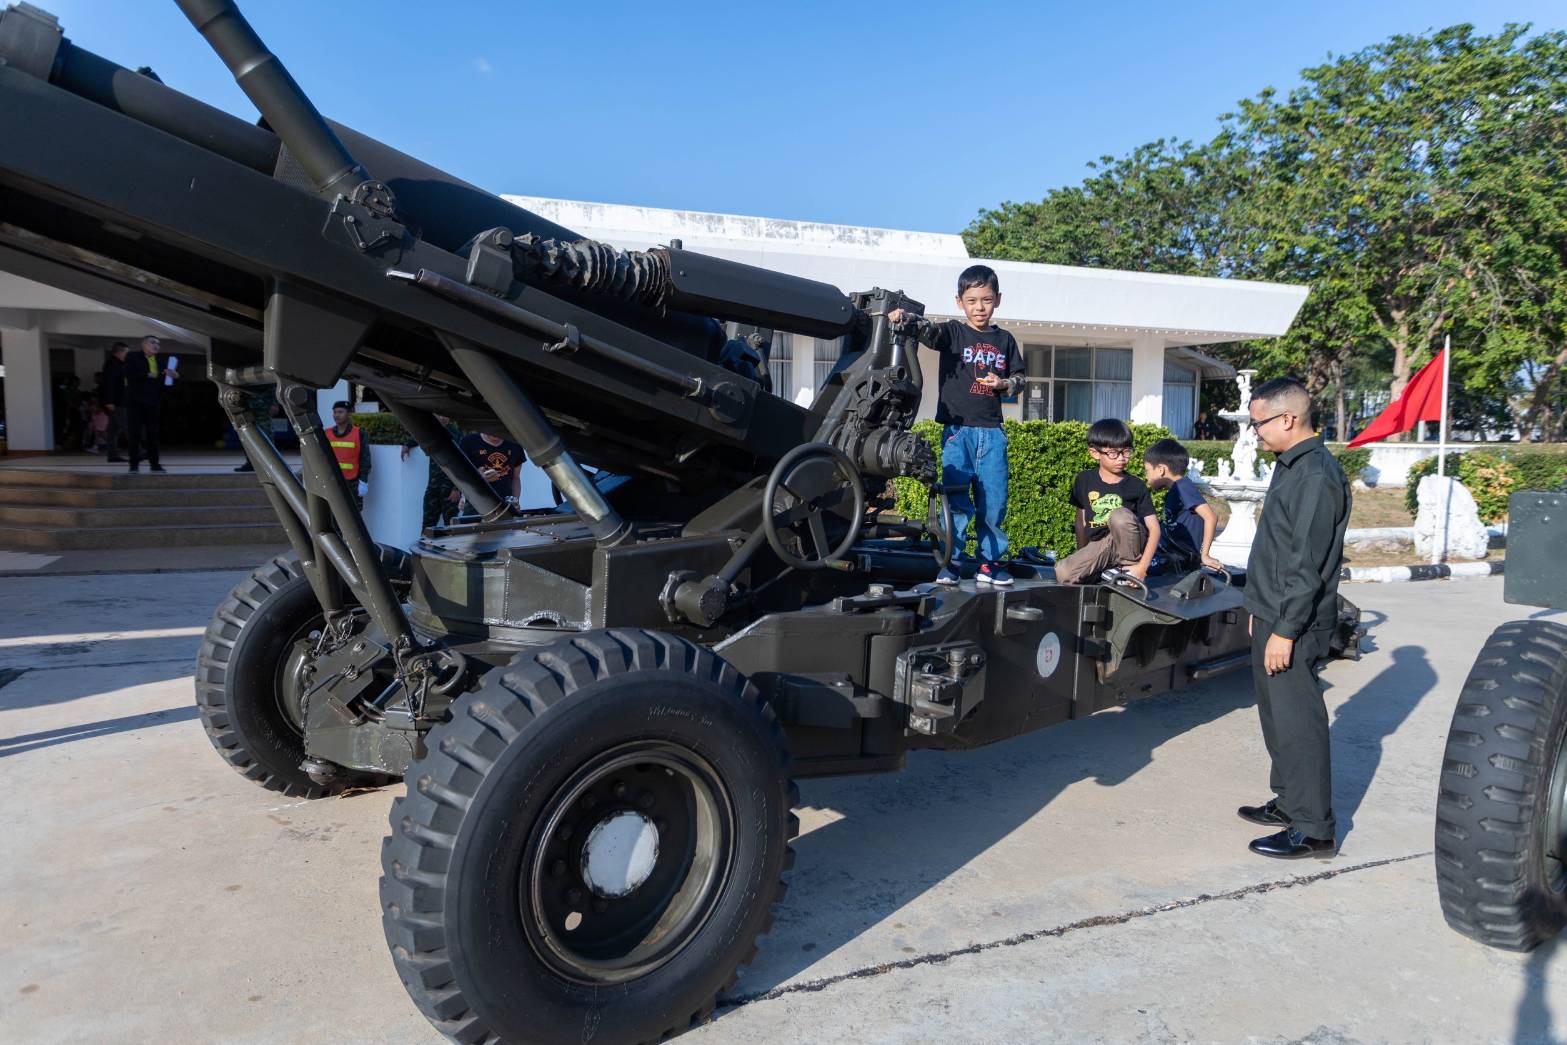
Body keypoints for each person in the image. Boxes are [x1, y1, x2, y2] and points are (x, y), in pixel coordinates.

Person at [1236, 376, 1350, 860]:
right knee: (1276, 717)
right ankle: (1289, 803)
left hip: (1294, 622)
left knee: (1299, 721)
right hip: (1273, 612)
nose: (1254, 433)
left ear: (1288, 419)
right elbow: (1278, 549)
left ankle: (1313, 827)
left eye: (1259, 423)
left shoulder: (1315, 476)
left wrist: (1284, 628)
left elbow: (1305, 563)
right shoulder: (1291, 465)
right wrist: (1259, 611)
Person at [887, 264, 1024, 586]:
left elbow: (1020, 379)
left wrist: (1003, 384)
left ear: (998, 300)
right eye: (972, 300)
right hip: (956, 431)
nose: (980, 307)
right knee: (957, 501)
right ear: (959, 301)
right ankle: (953, 562)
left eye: (986, 300)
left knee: (994, 501)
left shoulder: (1005, 339)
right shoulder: (952, 332)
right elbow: (927, 332)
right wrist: (905, 318)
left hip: (992, 432)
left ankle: (989, 564)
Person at [1054, 419, 1161, 585]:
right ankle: (1105, 572)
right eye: (1113, 453)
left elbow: (1154, 529)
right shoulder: (1084, 480)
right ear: (1095, 453)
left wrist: (1142, 567)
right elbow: (1080, 521)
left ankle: (1128, 571)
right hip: (1100, 544)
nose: (1121, 458)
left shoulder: (1136, 485)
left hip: (1129, 544)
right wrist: (1084, 556)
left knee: (1119, 515)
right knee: (1063, 572)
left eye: (1126, 451)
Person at [1142, 438, 1222, 572]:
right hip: (1172, 548)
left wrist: (1205, 555)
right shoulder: (1176, 489)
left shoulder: (1183, 486)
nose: (1146, 476)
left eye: (1147, 470)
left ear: (1161, 469)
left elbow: (1211, 517)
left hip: (1181, 554)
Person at [123, 334, 177, 473]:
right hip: (135, 402)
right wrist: (150, 375)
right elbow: (129, 374)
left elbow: (166, 384)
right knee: (135, 434)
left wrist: (173, 376)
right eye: (153, 342)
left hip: (153, 402)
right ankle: (133, 465)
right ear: (144, 345)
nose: (156, 345)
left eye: (158, 343)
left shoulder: (161, 361)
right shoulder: (133, 357)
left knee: (153, 434)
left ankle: (155, 464)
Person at [402, 416, 464, 529]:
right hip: (433, 487)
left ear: (449, 418)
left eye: (443, 416)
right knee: (427, 524)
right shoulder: (432, 430)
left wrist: (456, 489)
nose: (441, 418)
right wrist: (407, 445)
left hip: (450, 489)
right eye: (438, 415)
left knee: (450, 526)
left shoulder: (456, 434)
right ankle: (425, 546)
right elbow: (420, 436)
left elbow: (462, 462)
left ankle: (450, 547)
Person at [458, 430, 525, 508]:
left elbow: (516, 477)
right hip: (475, 503)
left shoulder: (515, 444)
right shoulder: (469, 442)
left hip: (505, 504)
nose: (496, 434)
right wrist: (478, 477)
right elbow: (460, 474)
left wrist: (515, 501)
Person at [326, 401, 371, 506]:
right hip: (333, 481)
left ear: (349, 414)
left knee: (354, 515)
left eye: (340, 412)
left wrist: (363, 481)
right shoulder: (326, 433)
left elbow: (365, 458)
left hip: (352, 482)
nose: (337, 415)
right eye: (335, 412)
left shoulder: (359, 433)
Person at [101, 342, 128, 462]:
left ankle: (112, 455)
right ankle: (140, 451)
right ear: (120, 352)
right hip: (117, 401)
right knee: (127, 426)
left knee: (113, 429)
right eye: (126, 352)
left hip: (117, 400)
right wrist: (109, 401)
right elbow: (109, 384)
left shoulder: (117, 364)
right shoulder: (112, 364)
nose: (127, 355)